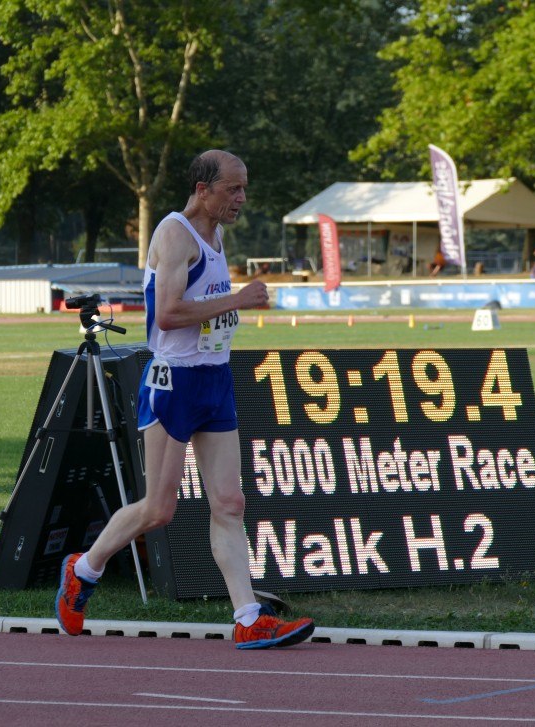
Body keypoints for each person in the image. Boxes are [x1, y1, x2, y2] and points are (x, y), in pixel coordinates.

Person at [55, 150, 315, 649]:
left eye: (244, 188)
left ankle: (248, 618)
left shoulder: (216, 234)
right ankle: (83, 569)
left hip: (214, 380)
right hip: (173, 383)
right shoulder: (174, 233)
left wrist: (227, 312)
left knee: (230, 501)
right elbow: (169, 314)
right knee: (159, 509)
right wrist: (238, 300)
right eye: (233, 189)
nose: (241, 198)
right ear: (202, 189)